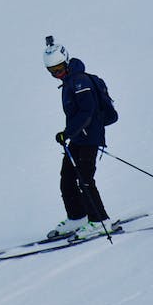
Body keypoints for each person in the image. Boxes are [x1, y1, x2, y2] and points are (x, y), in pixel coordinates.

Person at [43, 36, 112, 240]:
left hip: (89, 136)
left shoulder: (80, 81)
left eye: (59, 69)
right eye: (52, 71)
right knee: (67, 178)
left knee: (85, 179)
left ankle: (100, 221)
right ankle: (77, 217)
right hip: (78, 138)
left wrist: (68, 132)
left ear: (66, 60)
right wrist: (70, 134)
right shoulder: (69, 81)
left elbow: (87, 112)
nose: (57, 74)